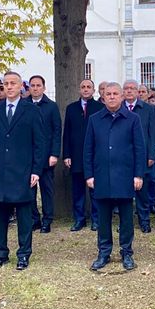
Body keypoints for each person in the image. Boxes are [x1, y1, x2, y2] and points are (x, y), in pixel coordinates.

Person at [0, 71, 46, 271]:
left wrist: (36, 170)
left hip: (23, 172)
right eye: (5, 84)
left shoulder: (31, 110)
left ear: (21, 87)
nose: (9, 87)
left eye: (13, 83)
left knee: (24, 217)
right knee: (0, 216)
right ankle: (1, 254)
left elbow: (39, 144)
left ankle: (24, 254)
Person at [84, 82, 146, 271]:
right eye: (108, 94)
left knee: (126, 218)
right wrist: (89, 174)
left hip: (125, 176)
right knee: (103, 218)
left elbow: (139, 148)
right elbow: (88, 149)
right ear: (103, 97)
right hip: (102, 176)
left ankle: (126, 252)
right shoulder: (95, 119)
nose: (111, 96)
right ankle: (104, 252)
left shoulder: (133, 119)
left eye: (115, 93)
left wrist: (138, 175)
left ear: (122, 96)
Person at [63, 79, 104, 231]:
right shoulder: (71, 108)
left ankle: (96, 219)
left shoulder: (100, 107)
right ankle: (79, 219)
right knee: (78, 189)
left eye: (89, 87)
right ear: (79, 90)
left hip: (95, 155)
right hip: (76, 155)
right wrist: (66, 154)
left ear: (93, 90)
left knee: (95, 189)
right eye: (83, 87)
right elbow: (66, 133)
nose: (86, 89)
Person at [28, 75, 62, 233]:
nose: (35, 88)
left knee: (47, 190)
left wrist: (55, 154)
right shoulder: (24, 104)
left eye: (38, 85)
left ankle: (47, 220)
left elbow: (57, 131)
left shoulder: (51, 106)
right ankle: (34, 219)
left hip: (47, 155)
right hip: (28, 156)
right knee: (30, 190)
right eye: (32, 85)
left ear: (44, 87)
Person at [123, 80, 155, 232]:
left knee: (142, 192)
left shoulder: (148, 109)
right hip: (123, 157)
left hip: (142, 156)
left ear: (138, 92)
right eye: (126, 88)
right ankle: (125, 222)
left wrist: (151, 154)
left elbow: (152, 133)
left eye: (132, 89)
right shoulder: (118, 108)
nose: (129, 91)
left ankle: (144, 221)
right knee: (124, 193)